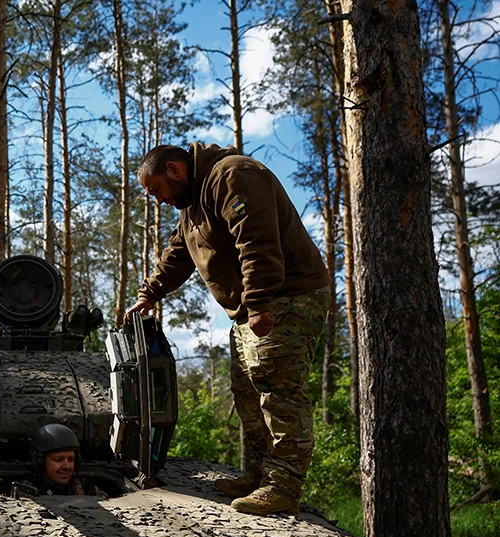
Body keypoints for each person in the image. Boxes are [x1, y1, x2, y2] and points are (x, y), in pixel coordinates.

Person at [125, 143, 329, 516]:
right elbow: (178, 253)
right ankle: (258, 473)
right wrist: (148, 294)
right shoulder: (193, 203)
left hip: (287, 295)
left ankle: (282, 486)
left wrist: (259, 302)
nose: (156, 199)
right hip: (252, 304)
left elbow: (257, 242)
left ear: (174, 170)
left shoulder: (233, 176)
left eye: (155, 190)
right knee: (246, 392)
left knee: (276, 387)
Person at [24, 424, 86, 496]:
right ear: (39, 462)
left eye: (71, 459)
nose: (67, 466)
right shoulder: (27, 492)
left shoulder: (86, 489)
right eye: (58, 459)